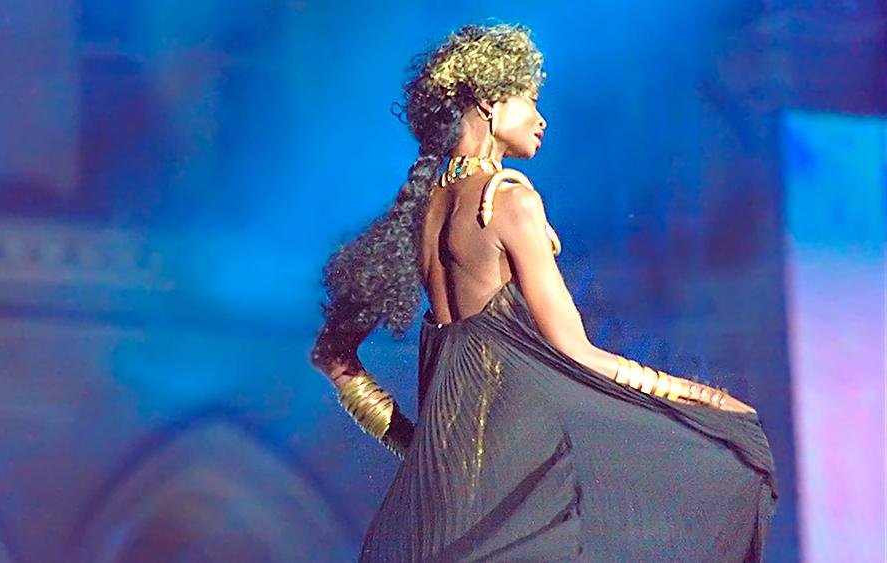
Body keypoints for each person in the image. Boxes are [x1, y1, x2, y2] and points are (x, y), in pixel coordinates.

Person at [310, 22, 778, 562]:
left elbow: (333, 358)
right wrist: (701, 398)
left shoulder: (419, 211)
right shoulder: (510, 203)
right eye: (530, 99)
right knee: (727, 457)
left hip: (445, 505)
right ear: (488, 103)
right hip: (515, 500)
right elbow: (574, 352)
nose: (541, 118)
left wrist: (417, 450)